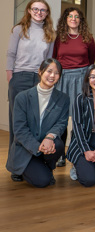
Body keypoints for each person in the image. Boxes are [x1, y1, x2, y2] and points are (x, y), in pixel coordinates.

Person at [6, 59, 69, 187]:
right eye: (49, 71)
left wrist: (49, 137)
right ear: (40, 72)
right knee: (43, 181)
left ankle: (46, 167)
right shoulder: (22, 97)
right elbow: (19, 130)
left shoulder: (63, 98)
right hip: (26, 148)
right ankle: (23, 168)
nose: (52, 76)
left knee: (59, 144)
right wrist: (38, 147)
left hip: (47, 145)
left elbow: (61, 124)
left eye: (56, 73)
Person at [7, 0, 55, 164]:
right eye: (35, 9)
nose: (39, 12)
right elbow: (10, 55)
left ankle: (32, 162)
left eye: (43, 10)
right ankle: (15, 164)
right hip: (19, 77)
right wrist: (11, 78)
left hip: (39, 79)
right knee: (17, 123)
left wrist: (47, 80)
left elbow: (49, 60)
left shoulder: (50, 33)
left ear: (47, 13)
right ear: (29, 10)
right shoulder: (19, 30)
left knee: (35, 122)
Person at [53, 8, 95, 112]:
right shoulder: (58, 38)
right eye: (70, 16)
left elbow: (91, 60)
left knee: (80, 110)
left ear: (81, 20)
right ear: (65, 19)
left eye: (77, 16)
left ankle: (77, 129)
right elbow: (54, 58)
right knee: (60, 111)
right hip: (62, 78)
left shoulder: (88, 38)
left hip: (81, 77)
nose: (74, 19)